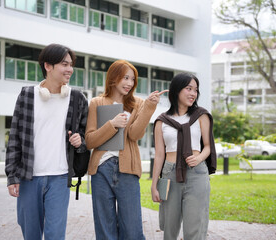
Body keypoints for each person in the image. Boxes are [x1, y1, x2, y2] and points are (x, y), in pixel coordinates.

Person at [5, 43, 88, 240]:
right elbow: (15, 136)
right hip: (28, 177)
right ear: (47, 66)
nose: (70, 69)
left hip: (59, 177)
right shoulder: (27, 95)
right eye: (64, 64)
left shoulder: (77, 99)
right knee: (31, 234)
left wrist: (80, 141)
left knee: (55, 235)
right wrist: (12, 176)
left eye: (71, 64)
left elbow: (87, 135)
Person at [85, 59, 168, 240]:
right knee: (105, 229)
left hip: (128, 170)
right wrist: (112, 124)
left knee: (132, 230)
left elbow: (135, 135)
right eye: (125, 78)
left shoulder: (137, 103)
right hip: (101, 169)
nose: (130, 83)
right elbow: (90, 141)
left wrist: (149, 108)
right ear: (113, 78)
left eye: (132, 79)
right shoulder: (97, 102)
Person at [151, 72, 217, 240]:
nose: (193, 93)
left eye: (195, 90)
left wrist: (199, 158)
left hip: (197, 173)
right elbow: (159, 155)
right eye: (188, 88)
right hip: (170, 174)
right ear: (177, 90)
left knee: (195, 226)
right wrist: (154, 185)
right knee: (169, 227)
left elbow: (208, 147)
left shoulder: (201, 116)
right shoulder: (162, 121)